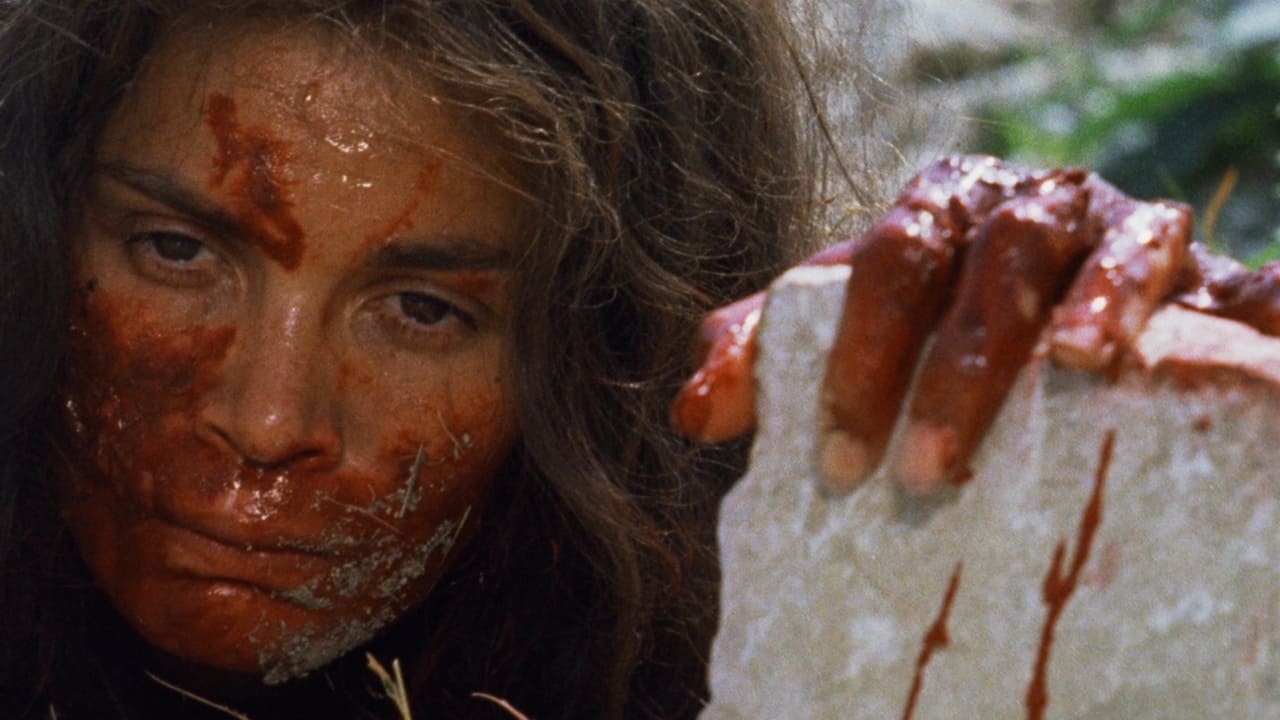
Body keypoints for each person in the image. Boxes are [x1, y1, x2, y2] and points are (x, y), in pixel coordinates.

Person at [1, 1, 1276, 718]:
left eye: (424, 310)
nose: (270, 417)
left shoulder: (752, 641)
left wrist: (1146, 438)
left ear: (601, 357)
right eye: (175, 249)